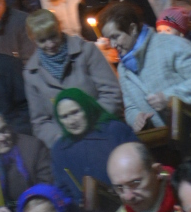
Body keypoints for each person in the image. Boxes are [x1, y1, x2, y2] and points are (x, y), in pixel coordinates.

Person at [100, 2, 191, 189]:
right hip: (187, 147)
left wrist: (170, 98)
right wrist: (136, 117)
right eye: (109, 39)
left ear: (132, 29)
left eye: (116, 36)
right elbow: (130, 106)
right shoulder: (124, 68)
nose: (113, 45)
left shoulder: (168, 44)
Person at [22, 9, 122, 148]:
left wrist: (89, 125)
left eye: (53, 36)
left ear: (60, 28)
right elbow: (40, 122)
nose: (50, 44)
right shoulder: (32, 73)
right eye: (42, 40)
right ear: (32, 39)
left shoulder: (86, 51)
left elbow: (112, 93)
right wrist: (61, 138)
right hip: (69, 145)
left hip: (104, 131)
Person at [50, 91, 137, 201]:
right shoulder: (59, 149)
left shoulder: (114, 131)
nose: (71, 121)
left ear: (87, 108)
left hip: (129, 199)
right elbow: (62, 190)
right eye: (64, 117)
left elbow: (139, 166)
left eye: (75, 112)